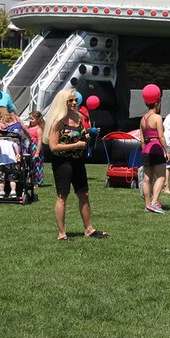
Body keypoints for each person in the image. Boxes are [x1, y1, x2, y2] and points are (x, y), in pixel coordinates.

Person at [44, 88, 107, 240]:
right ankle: (61, 233)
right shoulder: (57, 121)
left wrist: (90, 135)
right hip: (62, 161)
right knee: (62, 196)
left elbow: (80, 138)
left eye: (75, 100)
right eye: (70, 100)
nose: (74, 103)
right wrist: (75, 145)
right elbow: (53, 147)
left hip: (78, 160)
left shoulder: (78, 117)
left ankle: (89, 229)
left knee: (84, 194)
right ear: (63, 102)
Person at [139, 84, 168, 214]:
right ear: (157, 102)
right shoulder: (157, 118)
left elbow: (141, 139)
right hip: (156, 148)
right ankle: (154, 202)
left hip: (146, 150)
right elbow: (161, 136)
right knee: (161, 177)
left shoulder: (143, 119)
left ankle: (147, 205)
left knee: (147, 179)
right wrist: (166, 150)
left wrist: (144, 151)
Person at [27, 111, 46, 186]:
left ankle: (37, 182)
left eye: (32, 119)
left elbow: (40, 141)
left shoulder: (38, 129)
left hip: (35, 147)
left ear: (37, 120)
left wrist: (37, 152)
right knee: (29, 165)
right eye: (30, 119)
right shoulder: (29, 128)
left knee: (37, 165)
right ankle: (30, 180)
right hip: (29, 147)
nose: (30, 121)